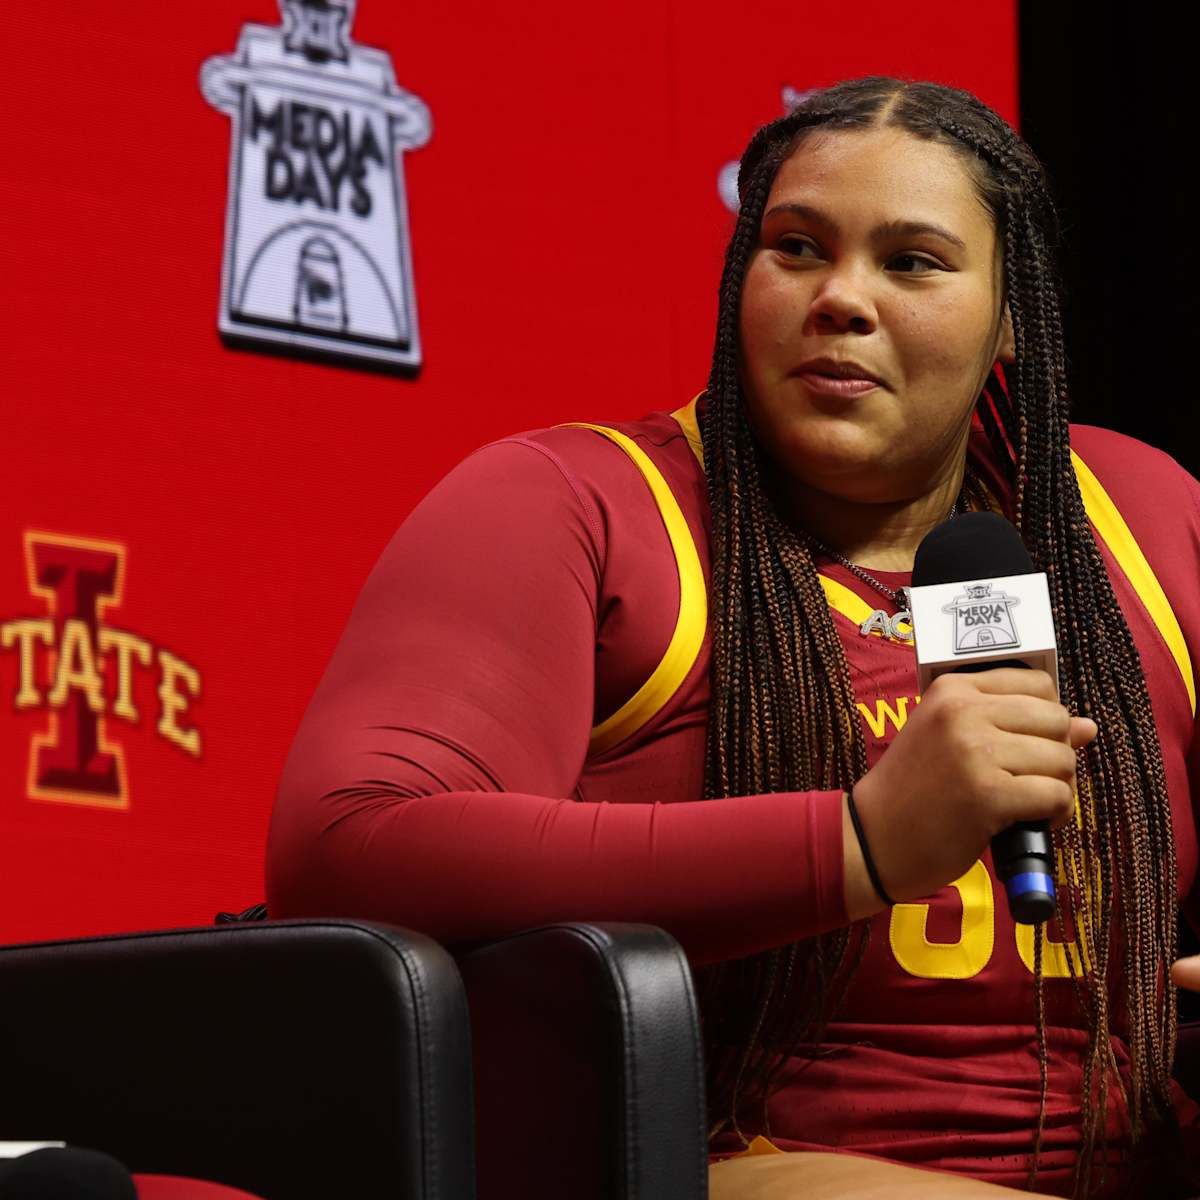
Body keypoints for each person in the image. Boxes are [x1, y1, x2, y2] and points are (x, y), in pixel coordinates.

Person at [265, 77, 1200, 1198]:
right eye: (797, 247)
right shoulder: (577, 505)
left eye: (910, 262)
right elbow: (350, 844)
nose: (840, 297)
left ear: (1011, 317)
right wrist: (860, 841)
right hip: (731, 1166)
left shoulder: (1133, 515)